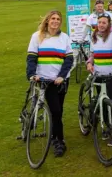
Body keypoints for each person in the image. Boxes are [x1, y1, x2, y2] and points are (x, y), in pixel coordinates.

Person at [26, 10, 73, 157]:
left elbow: (69, 59)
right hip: (45, 80)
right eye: (53, 18)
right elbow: (31, 58)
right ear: (47, 20)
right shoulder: (37, 36)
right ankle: (59, 141)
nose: (56, 21)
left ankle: (55, 134)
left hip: (61, 80)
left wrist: (62, 76)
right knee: (56, 111)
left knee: (59, 110)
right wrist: (32, 74)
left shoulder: (65, 37)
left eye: (58, 19)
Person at [86, 14, 112, 146]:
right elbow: (92, 54)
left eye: (104, 23)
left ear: (109, 24)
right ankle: (105, 125)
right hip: (98, 74)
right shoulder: (94, 36)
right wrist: (89, 63)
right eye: (99, 22)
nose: (101, 25)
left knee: (110, 102)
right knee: (101, 102)